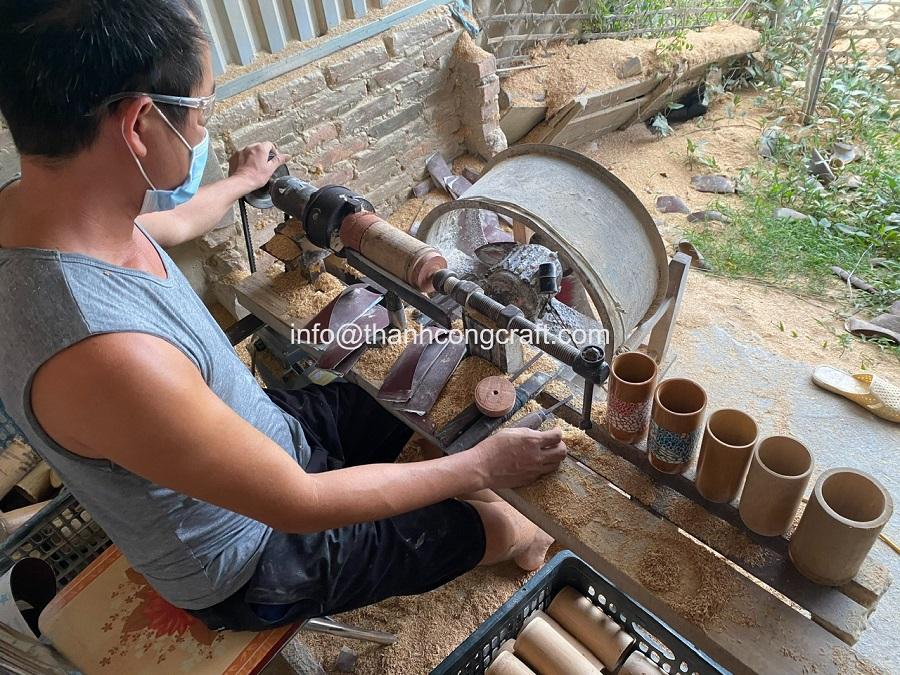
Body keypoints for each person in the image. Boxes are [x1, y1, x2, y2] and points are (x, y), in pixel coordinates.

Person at [0, 0, 566, 630]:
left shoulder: (47, 208)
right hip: (249, 552)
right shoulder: (102, 355)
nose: (201, 130)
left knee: (413, 399)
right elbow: (301, 503)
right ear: (137, 124)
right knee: (492, 524)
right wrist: (482, 467)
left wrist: (243, 181)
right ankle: (520, 543)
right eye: (201, 109)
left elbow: (176, 222)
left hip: (264, 431)